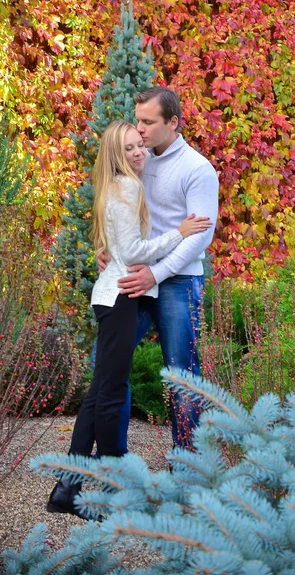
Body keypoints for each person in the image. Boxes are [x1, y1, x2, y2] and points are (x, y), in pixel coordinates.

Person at [47, 120, 211, 519]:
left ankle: (67, 488)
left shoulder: (116, 184)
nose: (139, 152)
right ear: (116, 154)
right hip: (122, 296)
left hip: (114, 294)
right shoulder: (129, 185)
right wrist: (180, 231)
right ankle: (110, 491)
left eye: (141, 144)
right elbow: (136, 249)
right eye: (130, 147)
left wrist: (110, 248)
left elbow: (119, 243)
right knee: (112, 394)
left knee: (101, 391)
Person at [99, 86, 219, 451]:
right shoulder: (138, 157)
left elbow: (199, 237)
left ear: (173, 122)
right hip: (137, 276)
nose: (140, 130)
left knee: (181, 375)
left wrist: (157, 273)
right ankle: (114, 462)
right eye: (138, 121)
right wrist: (106, 246)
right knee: (105, 365)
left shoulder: (197, 170)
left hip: (177, 281)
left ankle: (188, 466)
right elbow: (118, 207)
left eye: (148, 122)